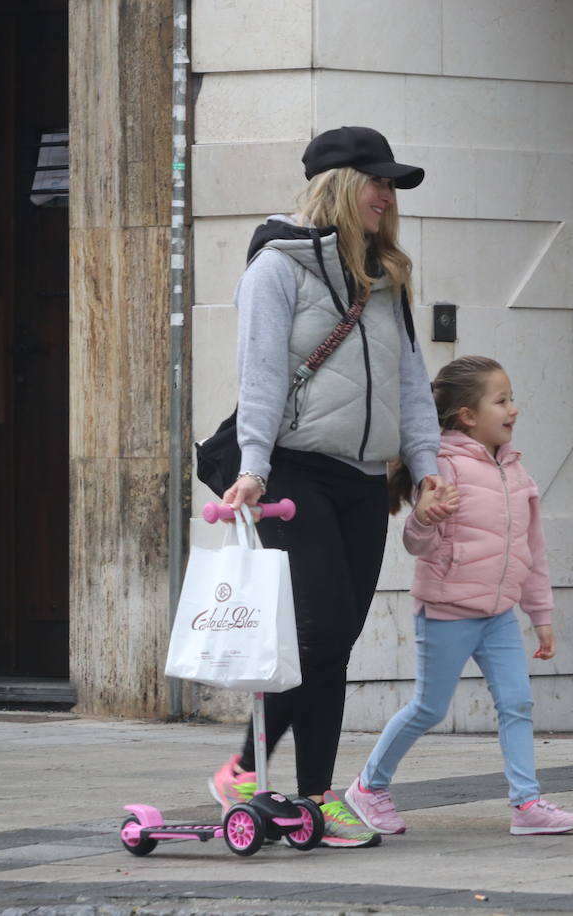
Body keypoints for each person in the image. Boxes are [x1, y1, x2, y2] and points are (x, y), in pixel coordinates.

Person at [209, 126, 445, 849]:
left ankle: (254, 775)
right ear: (339, 184)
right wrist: (253, 466)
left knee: (335, 638)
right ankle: (310, 793)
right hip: (293, 469)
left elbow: (409, 382)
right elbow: (261, 376)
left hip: (364, 479)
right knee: (319, 630)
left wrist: (427, 466)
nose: (386, 196)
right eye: (376, 182)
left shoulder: (386, 276)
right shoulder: (276, 268)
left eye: (392, 186)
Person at [342, 355, 573, 837]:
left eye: (512, 398)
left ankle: (527, 805)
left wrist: (540, 613)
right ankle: (368, 787)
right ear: (468, 415)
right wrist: (425, 518)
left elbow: (532, 550)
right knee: (429, 709)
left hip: (498, 615)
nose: (513, 408)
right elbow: (418, 545)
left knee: (517, 703)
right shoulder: (441, 467)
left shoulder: (516, 472)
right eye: (502, 400)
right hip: (447, 612)